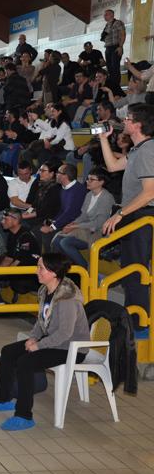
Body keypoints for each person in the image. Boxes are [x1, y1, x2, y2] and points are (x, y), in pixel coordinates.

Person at [0, 253, 89, 431]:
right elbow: (41, 321)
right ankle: (2, 399)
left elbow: (65, 333)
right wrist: (33, 337)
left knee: (26, 362)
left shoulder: (67, 299)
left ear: (53, 272)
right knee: (8, 352)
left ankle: (24, 415)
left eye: (41, 268)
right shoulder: (46, 290)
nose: (37, 271)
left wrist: (39, 345)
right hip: (54, 341)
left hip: (71, 348)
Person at [99, 104, 154, 330]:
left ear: (138, 124)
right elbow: (112, 166)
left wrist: (119, 214)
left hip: (142, 215)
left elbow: (150, 192)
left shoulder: (148, 150)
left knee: (136, 269)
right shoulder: (137, 150)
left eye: (128, 118)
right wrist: (103, 139)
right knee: (130, 268)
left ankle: (138, 322)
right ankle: (133, 317)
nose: (124, 122)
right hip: (134, 214)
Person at [51, 167, 114, 268]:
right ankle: (63, 268)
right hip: (85, 229)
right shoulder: (89, 195)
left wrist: (75, 226)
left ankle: (85, 269)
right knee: (57, 240)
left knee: (65, 242)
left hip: (97, 232)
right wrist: (72, 223)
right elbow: (83, 215)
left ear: (101, 182)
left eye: (91, 179)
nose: (87, 181)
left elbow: (99, 223)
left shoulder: (107, 198)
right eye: (87, 178)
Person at [101, 9, 126, 88]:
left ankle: (116, 87)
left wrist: (120, 47)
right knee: (109, 69)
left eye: (106, 14)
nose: (104, 16)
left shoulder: (118, 23)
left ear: (111, 15)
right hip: (108, 48)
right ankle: (112, 86)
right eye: (104, 15)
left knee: (115, 67)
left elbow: (123, 34)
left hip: (116, 47)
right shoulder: (106, 25)